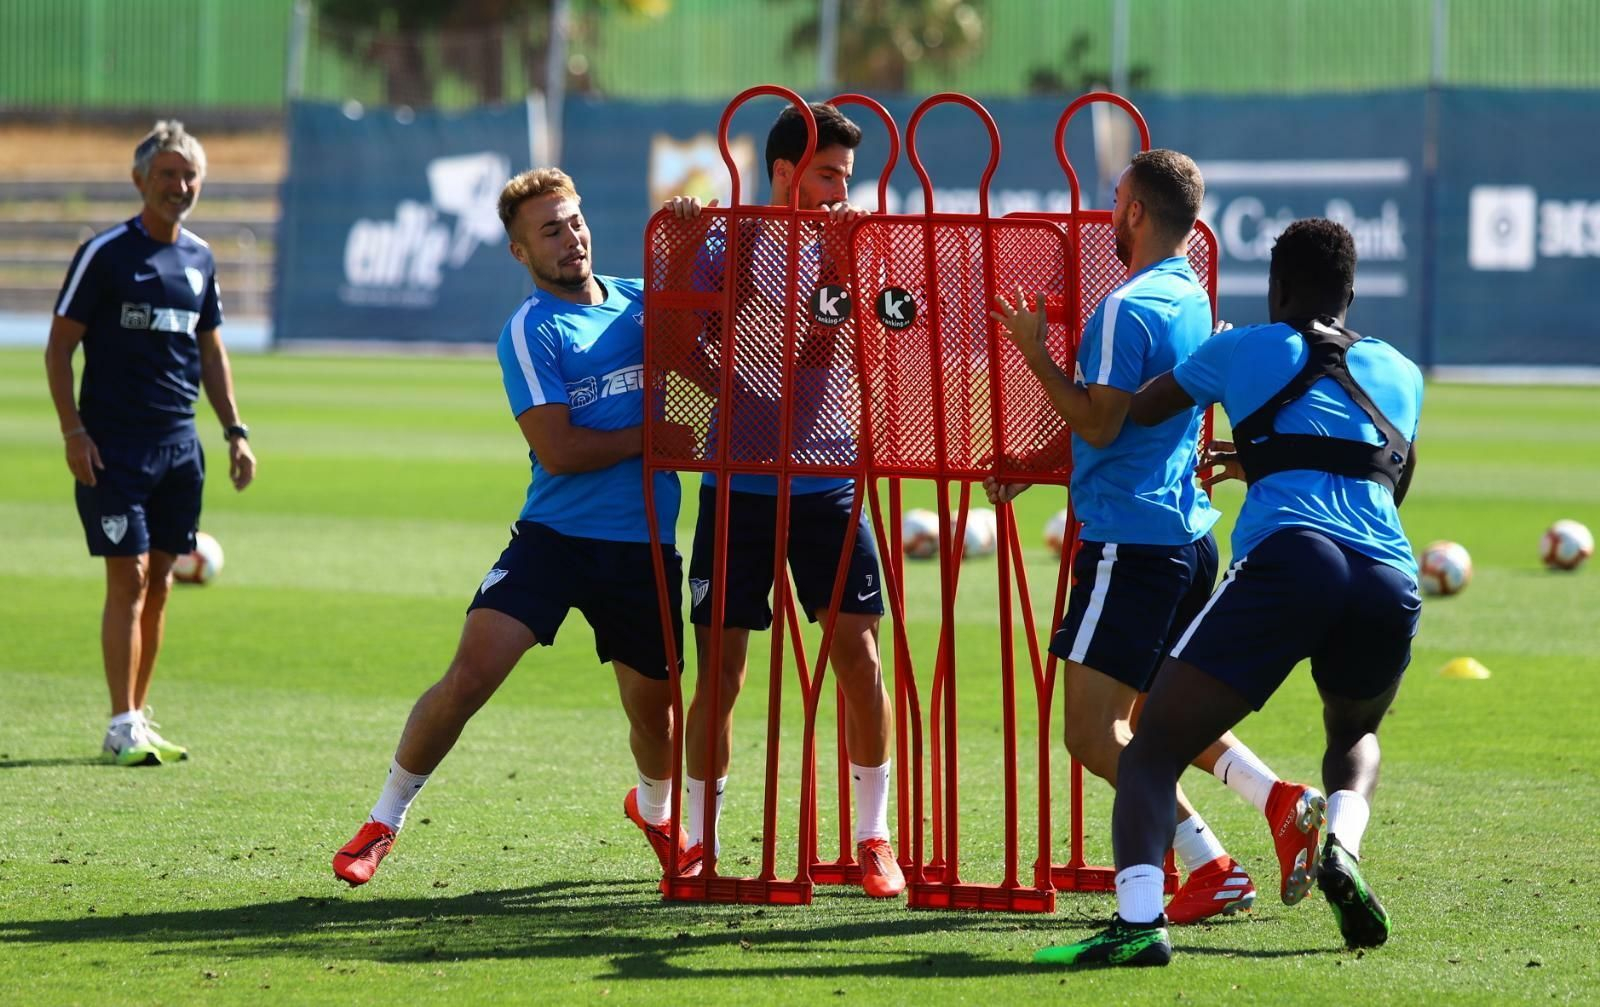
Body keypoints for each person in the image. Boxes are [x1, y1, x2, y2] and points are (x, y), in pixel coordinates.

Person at [1038, 218, 1422, 966]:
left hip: (1291, 562)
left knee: (1150, 749)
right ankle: (1341, 844)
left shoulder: (1245, 344)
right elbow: (1385, 477)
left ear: (1276, 287)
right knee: (1352, 737)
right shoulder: (1400, 370)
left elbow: (1141, 410)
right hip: (1387, 576)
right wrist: (1267, 458)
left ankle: (1139, 923)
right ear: (1351, 291)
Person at [988, 149, 1322, 925]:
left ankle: (1209, 864)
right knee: (1156, 719)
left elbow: (1101, 419)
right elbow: (1131, 426)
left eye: (1115, 200)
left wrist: (1034, 349)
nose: (1110, 213)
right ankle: (1278, 801)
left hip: (1129, 546)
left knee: (1091, 732)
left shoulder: (1125, 307)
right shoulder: (1192, 299)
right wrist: (1035, 460)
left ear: (1135, 212)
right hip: (1184, 539)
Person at [332, 168, 691, 886]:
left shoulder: (643, 305)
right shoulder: (530, 330)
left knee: (658, 718)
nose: (571, 238)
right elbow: (561, 449)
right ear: (520, 253)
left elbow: (716, 346)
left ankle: (656, 811)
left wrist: (688, 244)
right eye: (550, 230)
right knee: (470, 675)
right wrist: (653, 437)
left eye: (574, 221)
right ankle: (383, 819)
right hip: (554, 539)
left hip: (643, 545)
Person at [666, 102, 903, 898]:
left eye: (846, 174)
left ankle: (874, 838)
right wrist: (686, 247)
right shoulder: (732, 239)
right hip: (736, 484)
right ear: (781, 173)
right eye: (828, 174)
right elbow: (673, 344)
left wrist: (842, 264)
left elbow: (835, 345)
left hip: (829, 481)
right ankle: (696, 841)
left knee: (860, 659)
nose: (842, 188)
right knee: (722, 676)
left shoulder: (856, 242)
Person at [44, 120, 256, 767]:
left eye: (189, 175)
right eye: (167, 174)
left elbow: (211, 351)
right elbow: (58, 348)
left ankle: (134, 717)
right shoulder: (105, 253)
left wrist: (235, 430)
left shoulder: (200, 258)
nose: (179, 185)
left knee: (160, 582)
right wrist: (73, 431)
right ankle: (119, 720)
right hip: (113, 447)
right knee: (129, 577)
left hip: (178, 448)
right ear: (140, 180)